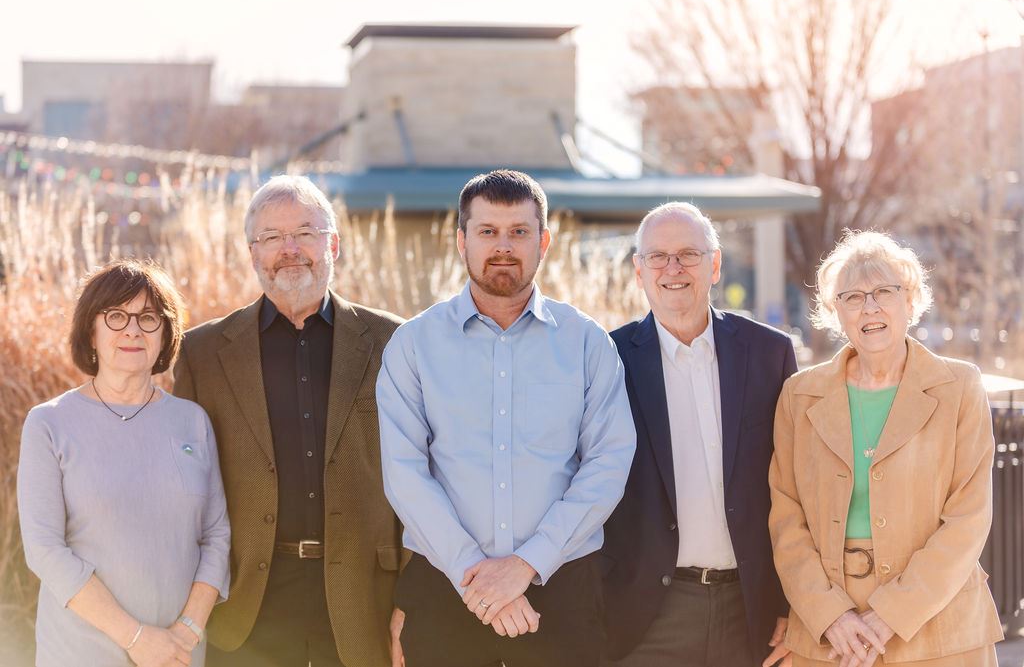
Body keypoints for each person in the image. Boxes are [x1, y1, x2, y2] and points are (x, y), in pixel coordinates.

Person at [377, 169, 636, 667]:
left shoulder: (586, 343)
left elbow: (607, 464)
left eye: (519, 232)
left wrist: (525, 566)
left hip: (562, 593)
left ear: (544, 241)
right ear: (461, 240)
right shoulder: (413, 344)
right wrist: (476, 575)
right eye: (487, 231)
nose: (503, 246)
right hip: (446, 592)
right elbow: (404, 474)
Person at [172, 175, 405, 667]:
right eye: (272, 237)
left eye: (305, 232)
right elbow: (185, 485)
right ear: (253, 252)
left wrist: (413, 599)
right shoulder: (203, 352)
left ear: (333, 244)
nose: (290, 249)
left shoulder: (394, 343)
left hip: (364, 597)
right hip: (248, 604)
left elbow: (422, 477)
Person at [768, 230, 1004, 666]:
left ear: (911, 301)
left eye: (884, 292)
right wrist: (829, 614)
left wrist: (891, 614)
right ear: (835, 312)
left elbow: (968, 519)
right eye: (852, 297)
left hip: (939, 631)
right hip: (829, 637)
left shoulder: (960, 388)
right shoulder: (799, 397)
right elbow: (786, 519)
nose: (870, 307)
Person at [601, 203, 797, 667]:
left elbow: (800, 486)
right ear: (638, 270)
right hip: (644, 616)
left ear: (714, 264)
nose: (673, 268)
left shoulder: (769, 353)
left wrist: (796, 606)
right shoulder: (606, 359)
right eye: (658, 257)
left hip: (752, 612)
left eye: (688, 254)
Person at [18, 258, 229, 667]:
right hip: (81, 653)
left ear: (166, 333)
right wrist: (136, 639)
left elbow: (217, 535)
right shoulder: (49, 423)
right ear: (90, 331)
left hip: (177, 655)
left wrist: (185, 633)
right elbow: (44, 550)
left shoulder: (192, 421)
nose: (133, 329)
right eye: (116, 315)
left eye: (149, 317)